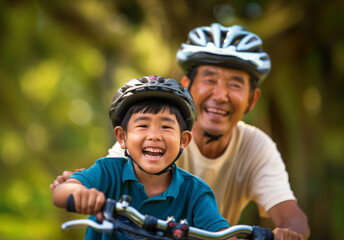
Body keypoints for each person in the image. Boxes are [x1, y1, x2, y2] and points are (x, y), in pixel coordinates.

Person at [51, 24, 310, 239]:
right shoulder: (122, 162)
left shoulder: (206, 183)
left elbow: (287, 216)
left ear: (252, 100)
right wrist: (78, 191)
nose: (220, 96)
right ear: (187, 86)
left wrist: (287, 234)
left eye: (234, 84)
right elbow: (85, 183)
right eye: (210, 80)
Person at [52, 75, 230, 240]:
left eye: (166, 127)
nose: (154, 136)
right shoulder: (108, 172)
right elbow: (61, 192)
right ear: (122, 137)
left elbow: (222, 234)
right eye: (143, 125)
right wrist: (81, 194)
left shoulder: (195, 193)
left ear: (183, 140)